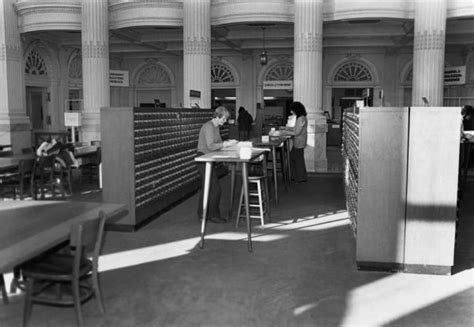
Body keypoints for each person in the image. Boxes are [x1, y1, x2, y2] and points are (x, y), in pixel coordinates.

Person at [196, 106, 237, 223]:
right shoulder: (208, 127)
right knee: (215, 189)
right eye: (224, 119)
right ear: (218, 116)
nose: (225, 122)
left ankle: (202, 213)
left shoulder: (216, 127)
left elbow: (218, 142)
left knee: (207, 187)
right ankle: (213, 215)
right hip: (203, 159)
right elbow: (210, 146)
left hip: (209, 158)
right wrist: (224, 145)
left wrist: (227, 143)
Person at [280, 101, 308, 183]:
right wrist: (286, 128)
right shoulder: (301, 117)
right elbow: (295, 129)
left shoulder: (300, 119)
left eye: (292, 110)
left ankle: (298, 177)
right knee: (296, 159)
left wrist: (284, 132)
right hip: (300, 142)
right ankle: (298, 177)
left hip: (299, 142)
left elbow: (296, 132)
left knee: (295, 159)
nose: (291, 112)